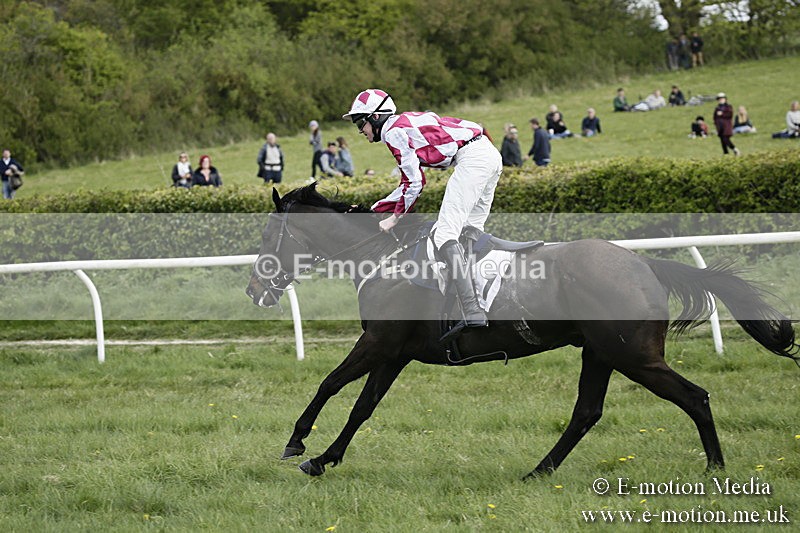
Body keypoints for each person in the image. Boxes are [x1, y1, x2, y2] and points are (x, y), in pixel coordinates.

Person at [342, 88, 502, 339]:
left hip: (473, 159)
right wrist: (374, 209)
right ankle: (475, 302)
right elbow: (407, 184)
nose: (360, 130)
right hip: (488, 154)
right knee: (468, 233)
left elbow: (414, 184)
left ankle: (472, 311)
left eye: (360, 123)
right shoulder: (401, 124)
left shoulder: (393, 132)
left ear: (375, 118)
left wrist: (395, 218)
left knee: (444, 235)